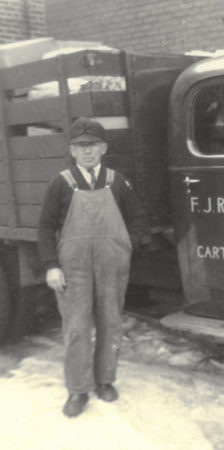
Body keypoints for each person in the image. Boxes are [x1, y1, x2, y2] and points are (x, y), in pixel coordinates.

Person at [38, 117, 147, 417]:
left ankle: (105, 381)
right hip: (73, 269)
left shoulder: (118, 181)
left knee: (111, 323)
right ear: (72, 150)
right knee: (77, 327)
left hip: (111, 266)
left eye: (93, 146)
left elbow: (138, 218)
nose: (87, 152)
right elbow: (45, 228)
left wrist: (128, 246)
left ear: (103, 148)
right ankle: (77, 390)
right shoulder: (61, 183)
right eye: (80, 146)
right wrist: (51, 266)